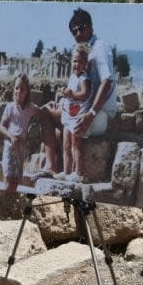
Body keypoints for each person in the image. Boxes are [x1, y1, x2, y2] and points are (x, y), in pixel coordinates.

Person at [40, 7, 118, 175]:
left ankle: (53, 167)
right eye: (73, 31)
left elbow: (107, 82)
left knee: (47, 114)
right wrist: (63, 102)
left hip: (99, 113)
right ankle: (60, 171)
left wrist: (91, 114)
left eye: (81, 28)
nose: (77, 33)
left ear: (90, 26)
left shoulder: (99, 47)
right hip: (88, 108)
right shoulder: (84, 51)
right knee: (53, 119)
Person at [54, 44, 91, 182]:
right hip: (68, 115)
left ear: (85, 64)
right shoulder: (72, 77)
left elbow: (85, 94)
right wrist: (65, 96)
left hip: (77, 116)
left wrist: (73, 94)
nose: (76, 64)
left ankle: (79, 173)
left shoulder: (83, 79)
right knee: (66, 144)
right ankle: (66, 171)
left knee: (76, 144)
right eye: (74, 61)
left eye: (80, 61)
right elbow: (69, 95)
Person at [0, 73, 37, 192]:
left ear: (27, 92)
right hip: (10, 146)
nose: (19, 91)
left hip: (20, 148)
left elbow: (41, 111)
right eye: (16, 88)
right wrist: (11, 136)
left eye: (22, 88)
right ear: (13, 89)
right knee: (8, 176)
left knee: (16, 180)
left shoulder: (30, 107)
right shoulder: (10, 107)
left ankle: (11, 201)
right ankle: (5, 199)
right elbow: (1, 126)